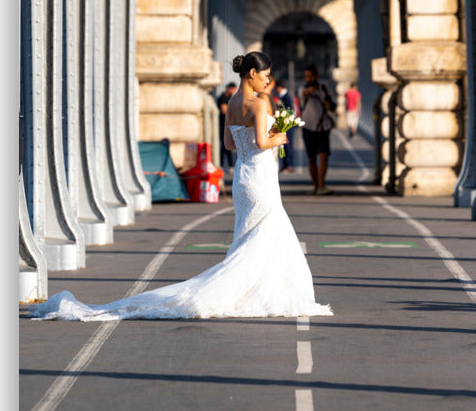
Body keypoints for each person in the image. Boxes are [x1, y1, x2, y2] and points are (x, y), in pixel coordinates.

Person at [28, 51, 331, 321]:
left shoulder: (234, 101)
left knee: (249, 237)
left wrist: (260, 138)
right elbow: (264, 142)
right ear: (252, 74)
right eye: (265, 75)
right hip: (261, 179)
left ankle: (249, 289)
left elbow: (229, 143)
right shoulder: (258, 103)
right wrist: (278, 136)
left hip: (243, 176)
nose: (268, 81)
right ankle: (258, 291)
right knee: (267, 233)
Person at [298, 63, 335, 196]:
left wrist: (329, 105)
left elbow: (332, 106)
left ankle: (321, 185)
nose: (308, 79)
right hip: (308, 127)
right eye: (306, 77)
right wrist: (310, 91)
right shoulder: (302, 89)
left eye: (310, 76)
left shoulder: (324, 89)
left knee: (324, 156)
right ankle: (315, 185)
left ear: (316, 76)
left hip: (323, 127)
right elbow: (304, 94)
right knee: (311, 158)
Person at [273, 79, 295, 172]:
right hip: (284, 123)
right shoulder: (284, 96)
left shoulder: (286, 97)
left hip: (287, 124)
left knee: (288, 144)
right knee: (284, 145)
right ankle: (285, 164)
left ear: (278, 87)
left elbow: (289, 111)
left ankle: (289, 164)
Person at [216, 83, 237, 170]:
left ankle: (229, 164)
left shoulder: (230, 98)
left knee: (228, 145)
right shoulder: (223, 97)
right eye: (234, 89)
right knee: (225, 145)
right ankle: (223, 164)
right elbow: (224, 110)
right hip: (223, 124)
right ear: (229, 88)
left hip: (228, 124)